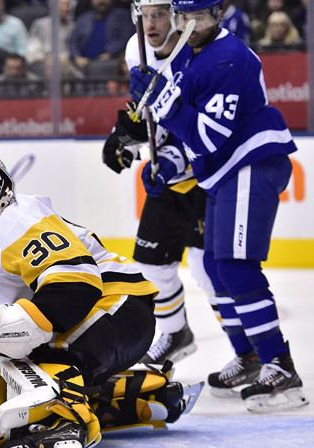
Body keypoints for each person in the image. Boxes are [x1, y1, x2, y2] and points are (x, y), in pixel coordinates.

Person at [0, 155, 201, 448]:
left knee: (53, 354)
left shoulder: (18, 222)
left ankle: (67, 425)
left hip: (120, 305)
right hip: (106, 314)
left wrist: (15, 328)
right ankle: (141, 396)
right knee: (35, 360)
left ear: (1, 198)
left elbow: (75, 286)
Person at [130, 0, 307, 412]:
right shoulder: (184, 58)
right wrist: (168, 164)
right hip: (225, 171)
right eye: (183, 17)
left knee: (235, 266)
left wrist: (165, 104)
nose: (190, 25)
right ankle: (248, 357)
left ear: (219, 14)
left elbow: (210, 137)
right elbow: (188, 142)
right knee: (213, 266)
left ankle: (280, 367)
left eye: (200, 17)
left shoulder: (230, 60)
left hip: (250, 162)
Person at [102, 0, 212, 366]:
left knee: (208, 269)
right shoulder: (137, 48)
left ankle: (248, 351)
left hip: (207, 175)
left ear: (178, 15)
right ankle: (176, 332)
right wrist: (124, 136)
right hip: (170, 175)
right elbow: (147, 111)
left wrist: (173, 158)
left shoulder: (196, 49)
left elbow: (201, 120)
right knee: (151, 264)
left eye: (160, 13)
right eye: (146, 14)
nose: (151, 23)